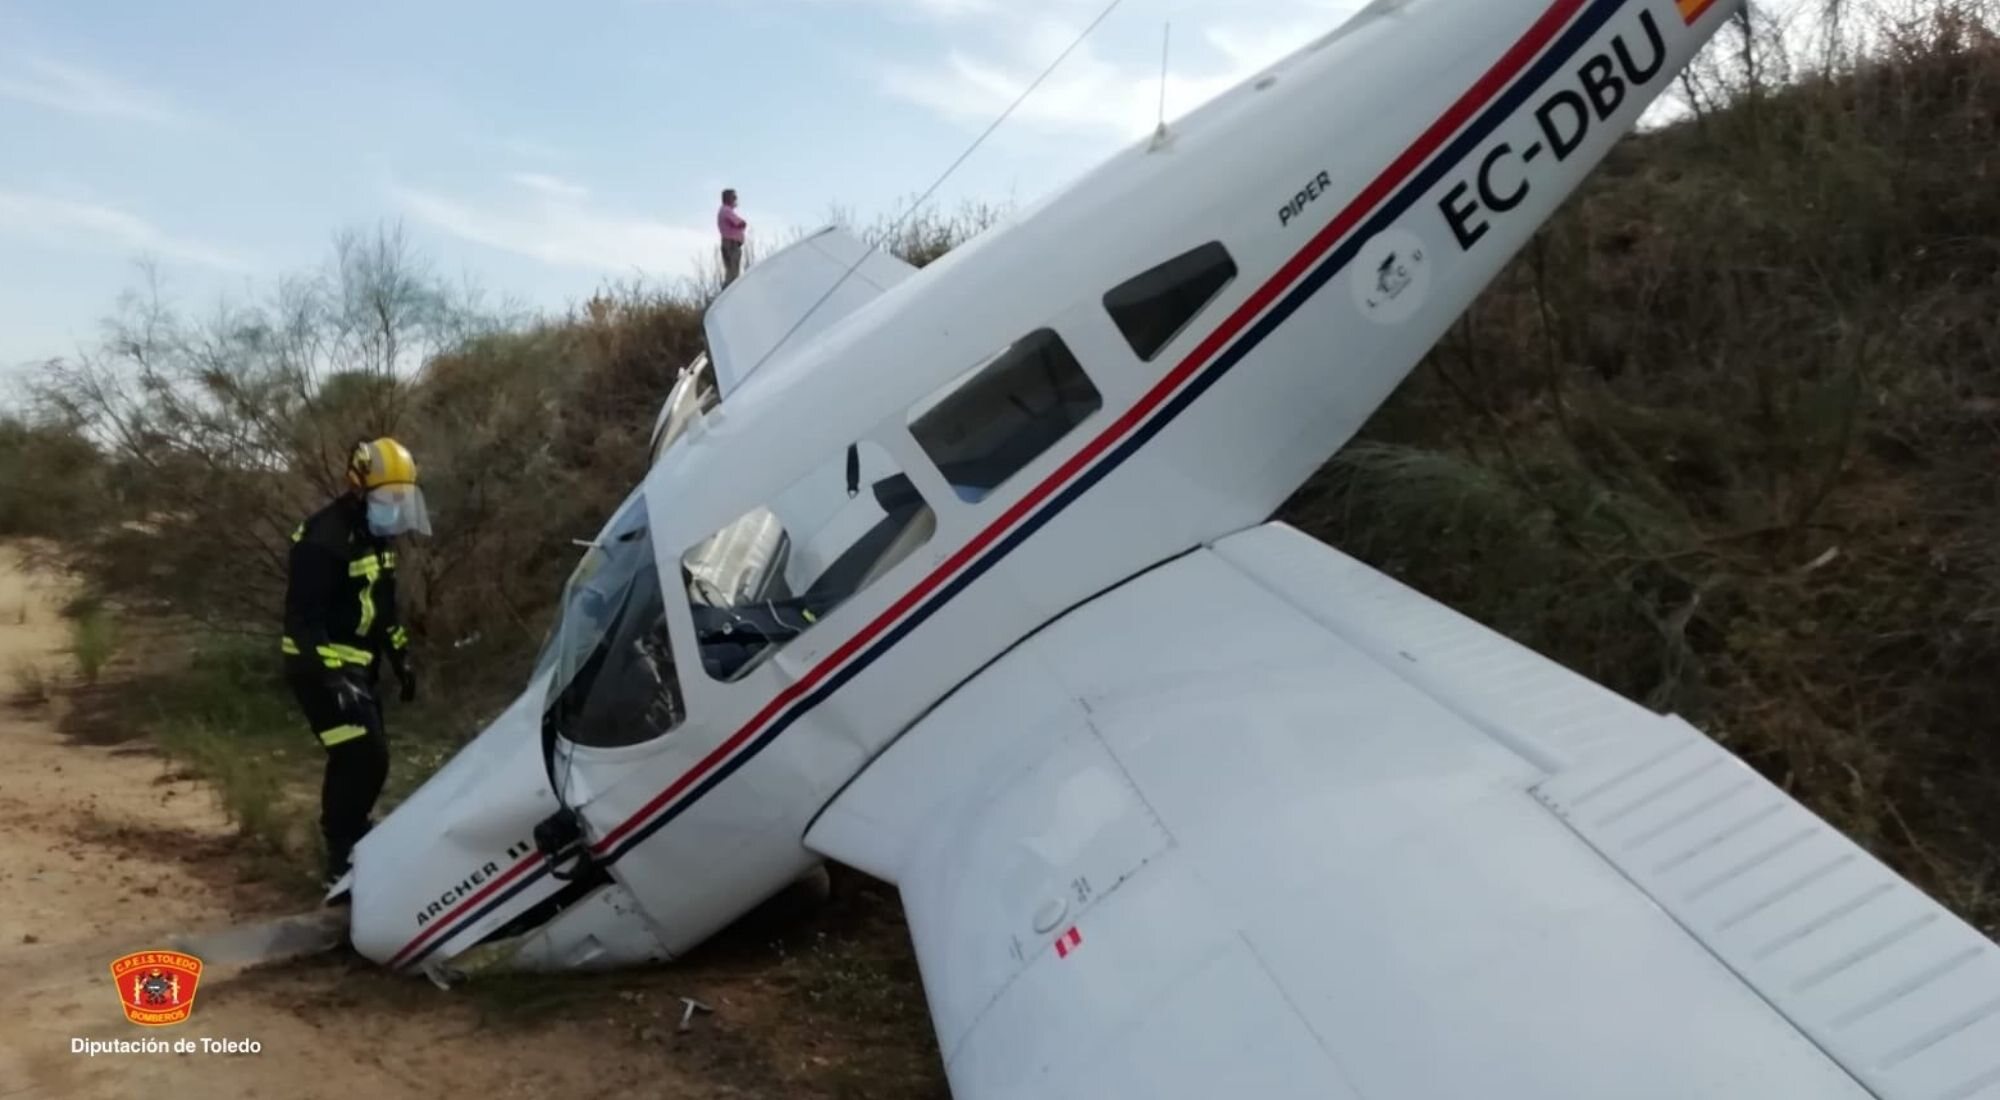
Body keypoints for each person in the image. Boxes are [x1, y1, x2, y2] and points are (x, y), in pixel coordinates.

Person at [281, 437, 430, 893]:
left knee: (367, 760)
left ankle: (353, 838)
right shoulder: (322, 539)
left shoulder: (378, 536)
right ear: (360, 489)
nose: (396, 508)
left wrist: (401, 659)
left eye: (403, 499)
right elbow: (302, 623)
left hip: (359, 669)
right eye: (389, 498)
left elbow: (383, 611)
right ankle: (339, 853)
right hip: (318, 671)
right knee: (362, 756)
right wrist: (332, 676)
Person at [717, 188, 747, 286]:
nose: (735, 199)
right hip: (731, 244)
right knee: (733, 272)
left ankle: (728, 288)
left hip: (728, 243)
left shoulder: (724, 210)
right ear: (728, 198)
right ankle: (730, 290)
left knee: (730, 271)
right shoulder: (726, 210)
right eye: (734, 197)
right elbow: (739, 223)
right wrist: (742, 223)